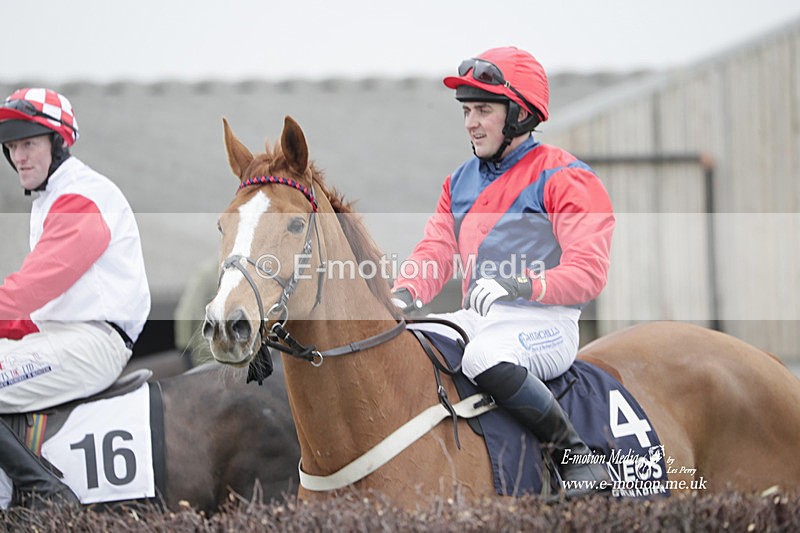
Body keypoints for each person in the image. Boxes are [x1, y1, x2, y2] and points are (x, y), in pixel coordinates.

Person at [391, 47, 615, 493]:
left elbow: (589, 272)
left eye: (484, 109)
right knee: (413, 342)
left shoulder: (565, 176)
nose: (471, 121)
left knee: (482, 357)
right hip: (482, 318)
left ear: (519, 113)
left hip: (548, 322)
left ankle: (576, 457)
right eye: (467, 110)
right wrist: (403, 294)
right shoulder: (458, 182)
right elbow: (436, 250)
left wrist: (521, 285)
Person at [0, 88, 151, 506]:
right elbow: (32, 310)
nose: (19, 157)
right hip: (64, 337)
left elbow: (29, 289)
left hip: (92, 344)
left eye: (28, 144)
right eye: (12, 147)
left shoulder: (81, 197)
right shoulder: (51, 199)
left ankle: (44, 491)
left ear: (59, 143)